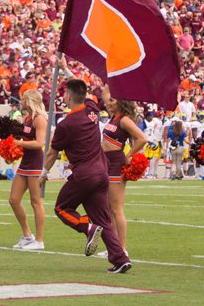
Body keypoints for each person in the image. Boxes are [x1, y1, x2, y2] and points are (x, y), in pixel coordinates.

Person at [41, 79, 131, 274]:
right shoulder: (91, 109)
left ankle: (87, 229)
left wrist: (43, 173)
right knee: (103, 219)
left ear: (68, 96)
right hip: (102, 171)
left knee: (61, 208)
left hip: (84, 174)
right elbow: (91, 94)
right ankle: (120, 258)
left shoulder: (66, 124)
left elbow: (51, 153)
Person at [101, 89, 147, 252]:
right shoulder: (114, 118)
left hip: (116, 163)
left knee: (116, 208)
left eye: (113, 101)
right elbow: (105, 95)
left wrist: (128, 155)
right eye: (109, 101)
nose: (109, 103)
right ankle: (114, 246)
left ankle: (122, 248)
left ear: (120, 102)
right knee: (108, 208)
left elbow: (142, 139)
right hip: (106, 163)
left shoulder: (125, 120)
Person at [10, 89, 47, 250]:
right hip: (25, 161)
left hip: (35, 162)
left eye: (24, 99)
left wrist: (19, 144)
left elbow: (39, 143)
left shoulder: (39, 119)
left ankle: (39, 241)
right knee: (13, 199)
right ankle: (27, 235)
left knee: (35, 201)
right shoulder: (27, 118)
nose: (21, 101)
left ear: (30, 100)